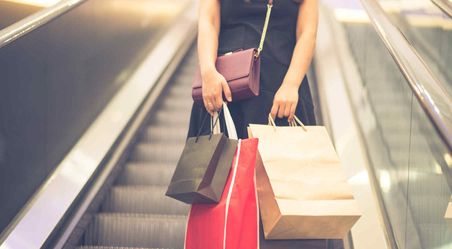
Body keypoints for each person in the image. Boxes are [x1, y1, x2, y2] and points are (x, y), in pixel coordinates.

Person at [188, 0, 318, 138]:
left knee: (277, 157)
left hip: (280, 92)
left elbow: (307, 33)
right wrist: (208, 72)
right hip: (222, 88)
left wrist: (291, 85)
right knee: (214, 157)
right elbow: (208, 22)